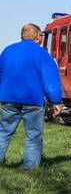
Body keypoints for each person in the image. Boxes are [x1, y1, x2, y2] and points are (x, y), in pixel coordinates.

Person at [0, 24, 62, 169]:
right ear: (37, 37)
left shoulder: (8, 51)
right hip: (32, 101)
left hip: (9, 99)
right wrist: (56, 101)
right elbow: (50, 79)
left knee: (3, 133)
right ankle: (30, 169)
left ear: (22, 35)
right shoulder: (41, 53)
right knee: (33, 136)